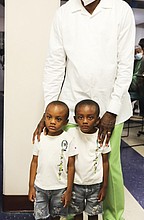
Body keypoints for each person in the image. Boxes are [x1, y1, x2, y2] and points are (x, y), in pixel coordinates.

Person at [33, 1, 135, 219]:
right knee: (73, 166)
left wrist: (112, 109)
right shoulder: (64, 13)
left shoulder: (120, 9)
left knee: (109, 167)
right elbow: (54, 63)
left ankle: (113, 216)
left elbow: (126, 64)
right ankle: (71, 215)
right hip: (72, 105)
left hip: (110, 106)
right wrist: (50, 108)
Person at [29, 101, 78, 220]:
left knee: (57, 216)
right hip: (40, 188)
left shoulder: (69, 139)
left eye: (58, 119)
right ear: (44, 117)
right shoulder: (39, 137)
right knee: (41, 217)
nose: (52, 122)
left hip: (60, 188)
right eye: (49, 117)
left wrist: (69, 190)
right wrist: (31, 186)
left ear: (66, 122)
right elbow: (34, 162)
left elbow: (71, 166)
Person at [66, 99, 111, 220]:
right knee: (77, 214)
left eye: (90, 117)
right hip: (76, 184)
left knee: (94, 215)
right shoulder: (71, 133)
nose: (85, 121)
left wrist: (104, 186)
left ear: (97, 120)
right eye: (80, 117)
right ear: (75, 119)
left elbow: (105, 162)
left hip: (95, 185)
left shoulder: (102, 136)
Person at [129, 45, 144, 116]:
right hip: (133, 85)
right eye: (135, 53)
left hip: (141, 87)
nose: (136, 54)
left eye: (138, 52)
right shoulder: (135, 61)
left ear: (142, 51)